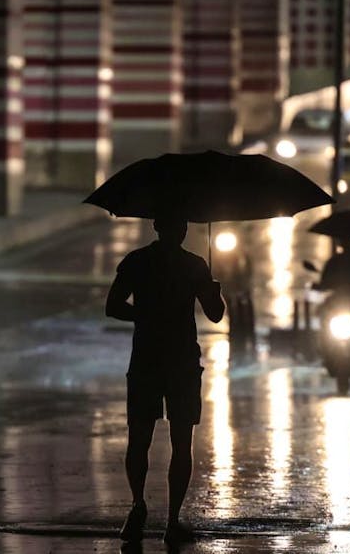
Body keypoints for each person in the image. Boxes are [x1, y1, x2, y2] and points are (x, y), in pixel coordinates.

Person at [105, 214, 225, 545]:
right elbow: (215, 314)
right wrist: (214, 291)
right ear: (176, 229)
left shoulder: (137, 261)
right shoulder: (195, 265)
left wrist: (144, 315)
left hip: (146, 359)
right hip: (181, 361)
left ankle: (138, 505)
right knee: (180, 441)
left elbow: (113, 306)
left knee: (140, 438)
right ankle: (172, 520)